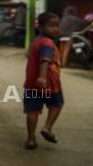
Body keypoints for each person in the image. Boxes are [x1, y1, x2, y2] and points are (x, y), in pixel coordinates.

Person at [23, 12, 63, 150]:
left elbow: (29, 55)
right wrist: (42, 76)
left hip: (31, 83)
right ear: (40, 27)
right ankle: (47, 128)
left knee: (32, 111)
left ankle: (30, 140)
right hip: (49, 83)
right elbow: (45, 60)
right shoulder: (48, 42)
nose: (55, 29)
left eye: (57, 26)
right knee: (57, 103)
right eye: (51, 26)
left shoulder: (36, 40)